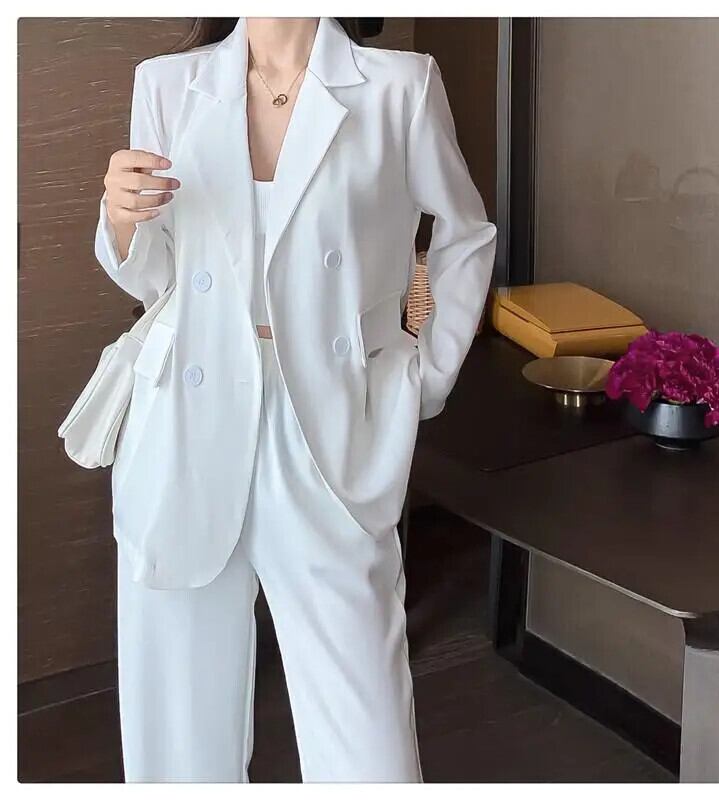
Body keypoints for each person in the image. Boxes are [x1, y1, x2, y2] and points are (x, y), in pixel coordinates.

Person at [97, 16, 496, 783]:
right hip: (185, 422)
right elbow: (156, 279)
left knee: (367, 750)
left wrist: (423, 375)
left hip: (329, 425)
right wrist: (119, 220)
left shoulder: (400, 87)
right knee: (178, 743)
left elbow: (465, 235)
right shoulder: (168, 85)